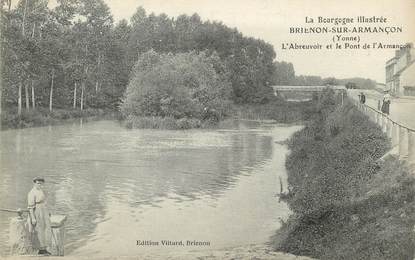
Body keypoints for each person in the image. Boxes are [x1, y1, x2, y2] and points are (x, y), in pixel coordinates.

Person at [27, 177, 52, 256]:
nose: (39, 185)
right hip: (37, 211)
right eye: (38, 183)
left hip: (43, 211)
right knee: (39, 230)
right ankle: (40, 249)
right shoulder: (32, 193)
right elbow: (30, 207)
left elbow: (44, 202)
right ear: (34, 183)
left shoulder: (41, 191)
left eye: (41, 183)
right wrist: (33, 218)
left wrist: (47, 212)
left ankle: (44, 248)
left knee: (45, 229)